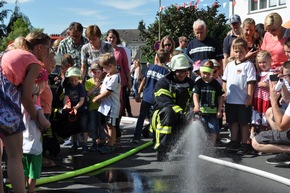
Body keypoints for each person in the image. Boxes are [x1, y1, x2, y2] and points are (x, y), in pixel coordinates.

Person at [0, 31, 51, 193]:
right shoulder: (33, 62)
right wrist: (38, 118)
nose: (49, 53)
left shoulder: (10, 53)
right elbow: (26, 99)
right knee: (15, 155)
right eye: (48, 49)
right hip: (4, 105)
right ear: (40, 47)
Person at [151, 54, 195, 161]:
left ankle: (186, 146)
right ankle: (162, 149)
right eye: (179, 71)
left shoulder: (190, 83)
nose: (182, 74)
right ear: (173, 70)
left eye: (185, 71)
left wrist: (193, 112)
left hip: (182, 116)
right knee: (169, 112)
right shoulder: (163, 83)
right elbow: (166, 103)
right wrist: (181, 112)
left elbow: (194, 100)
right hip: (163, 118)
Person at [222, 37, 256, 155]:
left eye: (241, 51)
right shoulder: (229, 65)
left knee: (243, 123)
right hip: (231, 100)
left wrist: (249, 97)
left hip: (242, 101)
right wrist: (224, 94)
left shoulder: (248, 65)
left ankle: (244, 143)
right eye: (236, 51)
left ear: (246, 51)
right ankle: (234, 141)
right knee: (233, 122)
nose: (238, 54)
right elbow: (225, 81)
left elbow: (250, 82)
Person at [252, 61, 290, 164]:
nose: (284, 78)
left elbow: (282, 126)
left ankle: (288, 151)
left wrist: (273, 100)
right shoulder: (285, 82)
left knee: (256, 142)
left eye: (285, 75)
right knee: (270, 112)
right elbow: (287, 99)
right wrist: (282, 84)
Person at [130, 49, 170, 144]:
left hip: (146, 97)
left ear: (156, 58)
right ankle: (155, 138)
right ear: (167, 60)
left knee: (141, 117)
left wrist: (138, 93)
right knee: (155, 118)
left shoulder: (150, 68)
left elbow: (143, 80)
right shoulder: (166, 72)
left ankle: (136, 137)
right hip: (157, 99)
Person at [22, 84, 51, 193]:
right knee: (33, 173)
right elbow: (45, 123)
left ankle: (22, 189)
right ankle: (31, 191)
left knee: (23, 172)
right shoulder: (37, 109)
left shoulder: (19, 108)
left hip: (21, 146)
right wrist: (48, 124)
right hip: (34, 148)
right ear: (33, 96)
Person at [106, 29, 132, 147]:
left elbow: (126, 67)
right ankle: (110, 137)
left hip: (121, 84)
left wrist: (130, 81)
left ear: (116, 39)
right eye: (110, 37)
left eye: (113, 38)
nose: (111, 40)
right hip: (108, 83)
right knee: (107, 111)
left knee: (119, 110)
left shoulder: (120, 51)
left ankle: (117, 136)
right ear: (106, 38)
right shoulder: (105, 50)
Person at [92, 53, 121, 154]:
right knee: (104, 124)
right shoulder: (109, 75)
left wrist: (97, 98)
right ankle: (108, 141)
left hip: (111, 107)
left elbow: (108, 92)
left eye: (105, 68)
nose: (103, 70)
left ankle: (111, 144)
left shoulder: (115, 77)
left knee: (110, 125)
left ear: (110, 66)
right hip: (104, 107)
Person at [193, 60, 224, 145]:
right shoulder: (198, 83)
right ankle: (203, 146)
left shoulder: (216, 83)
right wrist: (196, 106)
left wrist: (219, 109)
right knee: (202, 129)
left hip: (213, 113)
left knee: (213, 129)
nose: (205, 75)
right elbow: (195, 94)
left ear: (212, 72)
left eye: (208, 73)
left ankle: (211, 147)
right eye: (203, 73)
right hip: (202, 112)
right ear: (200, 71)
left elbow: (220, 96)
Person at [63, 67, 89, 153]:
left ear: (79, 79)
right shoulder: (68, 87)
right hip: (73, 110)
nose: (74, 82)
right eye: (71, 80)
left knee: (84, 127)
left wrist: (75, 108)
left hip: (82, 109)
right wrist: (66, 105)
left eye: (75, 80)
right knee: (74, 128)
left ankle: (85, 145)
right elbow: (66, 97)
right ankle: (75, 144)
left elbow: (82, 100)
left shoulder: (80, 87)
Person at [250, 50, 273, 139]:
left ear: (270, 61)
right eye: (259, 62)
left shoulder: (272, 73)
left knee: (265, 122)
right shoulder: (257, 73)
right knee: (255, 120)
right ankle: (254, 136)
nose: (262, 64)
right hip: (257, 99)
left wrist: (266, 85)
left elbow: (275, 88)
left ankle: (263, 138)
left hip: (266, 100)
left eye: (264, 62)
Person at [84, 62, 106, 152]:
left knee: (101, 125)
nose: (96, 74)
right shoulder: (88, 82)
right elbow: (88, 94)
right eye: (94, 72)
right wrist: (96, 86)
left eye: (98, 72)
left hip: (101, 107)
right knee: (93, 125)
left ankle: (101, 142)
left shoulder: (104, 81)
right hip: (92, 107)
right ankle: (94, 142)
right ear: (90, 72)